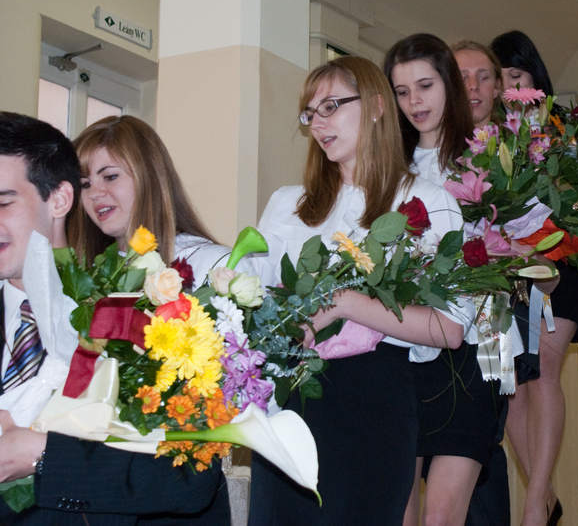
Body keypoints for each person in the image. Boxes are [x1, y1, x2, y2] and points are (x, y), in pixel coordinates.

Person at [248, 56, 468, 526]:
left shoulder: (430, 202)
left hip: (371, 402)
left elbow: (449, 328)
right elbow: (254, 304)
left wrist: (344, 304)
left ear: (375, 107)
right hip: (288, 398)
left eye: (331, 106)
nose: (318, 123)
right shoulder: (287, 204)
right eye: (310, 113)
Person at [0, 111, 229, 525]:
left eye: (2, 202)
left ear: (59, 199)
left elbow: (191, 477)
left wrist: (42, 454)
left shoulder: (140, 314)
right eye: (90, 181)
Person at [384, 34, 508, 526]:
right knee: (400, 512)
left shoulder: (492, 156)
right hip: (405, 349)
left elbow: (520, 252)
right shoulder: (386, 171)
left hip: (481, 344)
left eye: (425, 86)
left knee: (443, 516)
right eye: (402, 91)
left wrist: (503, 365)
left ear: (449, 86)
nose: (415, 101)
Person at [489, 30, 578, 526]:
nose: (509, 88)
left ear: (536, 78)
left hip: (558, 262)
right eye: (500, 78)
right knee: (509, 383)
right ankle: (544, 498)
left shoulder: (560, 130)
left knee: (544, 369)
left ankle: (532, 507)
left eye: (517, 76)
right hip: (504, 268)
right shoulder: (483, 136)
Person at [69, 115, 239, 286]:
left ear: (148, 177)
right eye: (85, 184)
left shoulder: (220, 268)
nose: (94, 193)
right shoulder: (87, 279)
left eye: (110, 177)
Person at [451, 40, 503, 127]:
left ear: (496, 87)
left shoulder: (516, 135)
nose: (474, 85)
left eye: (483, 77)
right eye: (463, 78)